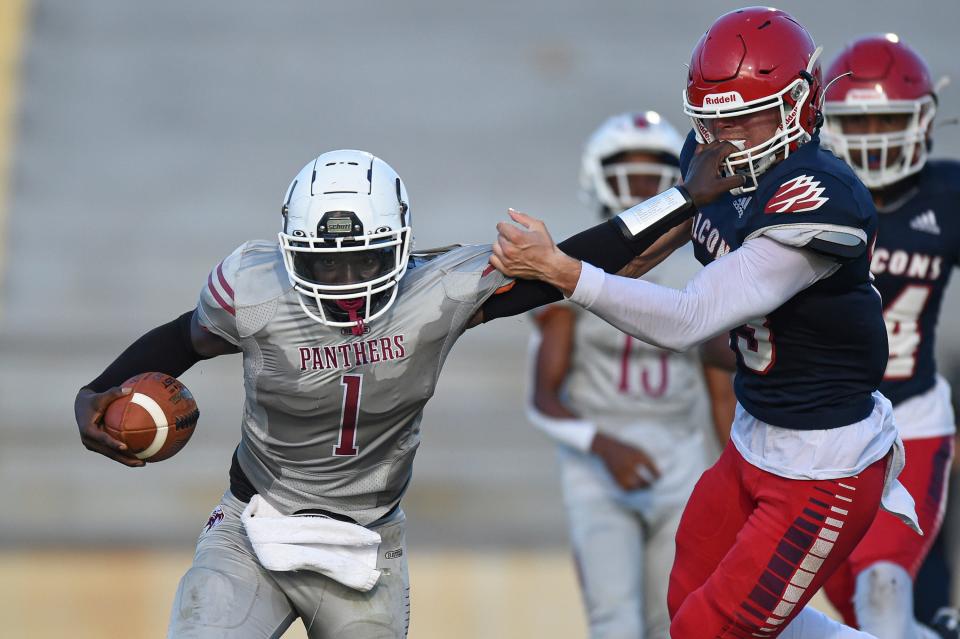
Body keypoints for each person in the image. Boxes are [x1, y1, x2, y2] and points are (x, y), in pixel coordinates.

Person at [73, 148, 741, 638]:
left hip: (366, 546)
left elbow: (568, 263)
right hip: (254, 527)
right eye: (321, 260)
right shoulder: (252, 287)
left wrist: (684, 199)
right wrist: (98, 392)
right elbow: (184, 339)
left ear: (401, 246)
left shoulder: (439, 290)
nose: (341, 279)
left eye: (360, 259)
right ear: (288, 250)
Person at [490, 7, 923, 638]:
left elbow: (692, 317)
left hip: (823, 464)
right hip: (756, 436)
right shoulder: (717, 155)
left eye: (743, 115)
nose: (727, 135)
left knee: (708, 631)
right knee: (688, 597)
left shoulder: (818, 197)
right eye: (712, 119)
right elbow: (640, 251)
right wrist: (513, 287)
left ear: (798, 102)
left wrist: (562, 272)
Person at [527, 111, 735, 639]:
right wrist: (604, 445)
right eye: (628, 171)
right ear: (597, 175)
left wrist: (734, 476)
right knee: (614, 624)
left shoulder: (701, 264)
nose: (642, 185)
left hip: (680, 454)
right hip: (597, 463)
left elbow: (718, 383)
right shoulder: (573, 264)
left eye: (654, 173)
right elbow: (542, 399)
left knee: (678, 621)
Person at [819, 33, 960, 639]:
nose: (875, 136)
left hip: (913, 419)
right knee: (867, 619)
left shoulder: (946, 195)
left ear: (924, 120)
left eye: (889, 118)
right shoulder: (807, 194)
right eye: (861, 119)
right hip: (820, 435)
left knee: (883, 593)